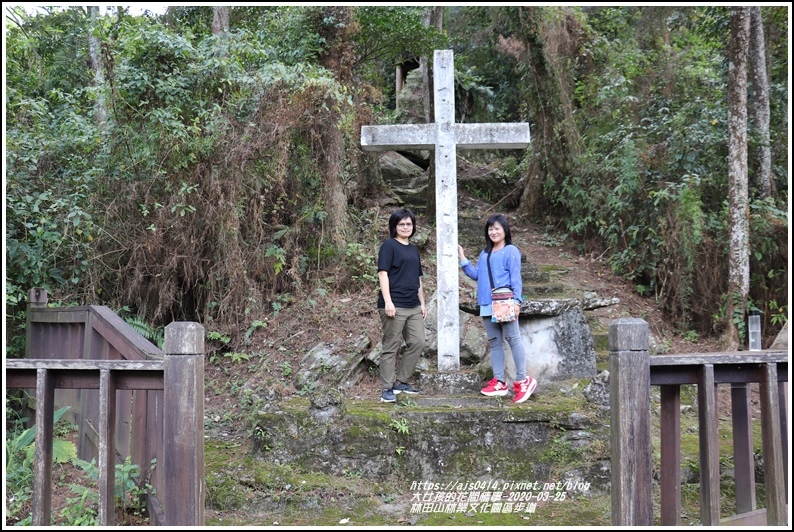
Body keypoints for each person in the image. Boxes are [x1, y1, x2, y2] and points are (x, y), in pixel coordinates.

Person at [458, 214, 537, 404]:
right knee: (494, 342)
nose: (493, 232)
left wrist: (517, 301)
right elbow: (477, 275)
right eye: (490, 229)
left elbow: (516, 278)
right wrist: (462, 259)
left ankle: (523, 380)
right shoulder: (485, 253)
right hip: (486, 303)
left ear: (505, 230)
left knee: (513, 339)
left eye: (497, 228)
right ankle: (499, 381)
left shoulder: (511, 251)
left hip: (504, 302)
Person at [376, 208, 427, 403]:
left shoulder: (413, 249)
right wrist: (388, 301)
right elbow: (383, 273)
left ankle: (402, 381)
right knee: (391, 346)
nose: (406, 227)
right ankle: (387, 388)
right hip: (394, 304)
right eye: (401, 224)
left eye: (409, 224)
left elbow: (418, 278)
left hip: (413, 305)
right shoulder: (389, 246)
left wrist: (422, 303)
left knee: (418, 342)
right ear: (394, 227)